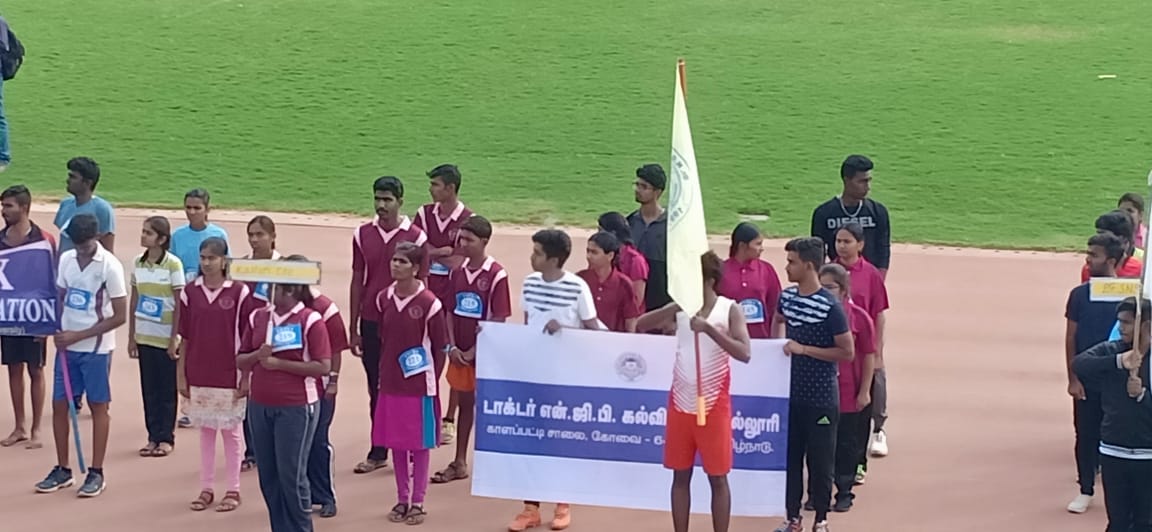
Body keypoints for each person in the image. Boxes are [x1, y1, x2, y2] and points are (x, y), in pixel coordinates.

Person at [635, 251, 752, 532]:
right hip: (680, 403)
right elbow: (642, 324)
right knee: (680, 475)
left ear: (710, 280)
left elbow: (744, 352)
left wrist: (709, 329)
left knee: (718, 478)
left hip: (713, 406)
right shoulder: (682, 309)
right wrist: (675, 307)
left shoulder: (729, 309)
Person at [508, 229, 599, 532]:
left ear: (554, 259)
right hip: (533, 375)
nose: (531, 257)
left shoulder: (577, 288)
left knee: (560, 441)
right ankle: (530, 508)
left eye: (537, 253)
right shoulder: (530, 283)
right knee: (530, 440)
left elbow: (593, 330)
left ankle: (562, 503)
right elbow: (527, 324)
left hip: (564, 379)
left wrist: (565, 330)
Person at [34, 213, 127, 497]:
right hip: (67, 349)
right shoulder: (66, 259)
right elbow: (59, 298)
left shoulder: (110, 266)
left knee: (98, 406)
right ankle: (63, 469)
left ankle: (96, 471)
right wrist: (48, 327)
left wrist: (78, 335)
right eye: (77, 245)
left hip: (95, 349)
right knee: (60, 406)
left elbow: (120, 316)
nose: (82, 250)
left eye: (85, 245)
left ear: (96, 237)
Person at [771, 236, 854, 532]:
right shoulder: (787, 298)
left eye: (791, 262)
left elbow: (847, 351)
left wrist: (804, 349)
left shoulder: (831, 307)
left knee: (820, 463)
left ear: (808, 266)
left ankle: (821, 520)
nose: (787, 267)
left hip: (821, 398)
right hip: (791, 396)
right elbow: (778, 320)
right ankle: (793, 518)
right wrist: (776, 347)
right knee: (791, 460)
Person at [238, 276, 332, 532]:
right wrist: (257, 355)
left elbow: (323, 366)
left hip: (296, 406)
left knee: (291, 475)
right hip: (259, 405)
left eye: (275, 286)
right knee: (269, 476)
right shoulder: (259, 317)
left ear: (290, 290)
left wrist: (279, 364)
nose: (268, 290)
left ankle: (301, 528)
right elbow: (240, 359)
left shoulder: (310, 320)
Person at [349, 176, 428, 474]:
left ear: (400, 201)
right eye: (377, 199)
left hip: (405, 325)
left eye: (387, 200)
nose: (381, 205)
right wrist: (353, 326)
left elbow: (424, 284)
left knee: (407, 386)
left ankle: (409, 447)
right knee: (376, 386)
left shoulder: (416, 238)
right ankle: (379, 447)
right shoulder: (362, 234)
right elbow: (358, 279)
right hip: (371, 320)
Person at [431, 215, 511, 485]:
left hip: (486, 354)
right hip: (460, 353)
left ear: (484, 241)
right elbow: (449, 311)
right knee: (465, 405)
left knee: (490, 407)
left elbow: (498, 318)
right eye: (461, 238)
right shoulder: (458, 271)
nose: (462, 243)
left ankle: (496, 461)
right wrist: (452, 346)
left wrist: (475, 351)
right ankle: (460, 461)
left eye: (469, 239)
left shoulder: (496, 274)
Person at [177, 237, 255, 513]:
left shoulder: (240, 292)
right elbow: (185, 337)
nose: (207, 263)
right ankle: (207, 488)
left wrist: (245, 376)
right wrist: (181, 374)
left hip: (229, 372)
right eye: (203, 258)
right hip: (199, 371)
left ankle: (233, 489)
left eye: (212, 258)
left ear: (224, 261)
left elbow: (247, 337)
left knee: (232, 433)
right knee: (206, 432)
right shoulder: (190, 292)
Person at [374, 242, 448, 527]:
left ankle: (418, 501)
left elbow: (439, 347)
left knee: (419, 445)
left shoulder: (430, 304)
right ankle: (401, 498)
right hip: (390, 382)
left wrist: (430, 379)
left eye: (402, 261)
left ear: (416, 268)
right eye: (394, 260)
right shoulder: (383, 298)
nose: (396, 265)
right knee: (397, 443)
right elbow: (383, 336)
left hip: (419, 386)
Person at [1072, 297, 1152, 532]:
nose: (1120, 328)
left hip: (1147, 456)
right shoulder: (1111, 350)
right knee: (1117, 522)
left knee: (1145, 523)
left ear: (1146, 326)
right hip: (1113, 452)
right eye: (1120, 322)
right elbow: (1080, 364)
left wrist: (1142, 396)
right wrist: (1118, 361)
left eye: (1126, 322)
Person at [1064, 232, 1128, 513]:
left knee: (1120, 435)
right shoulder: (1079, 295)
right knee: (1085, 434)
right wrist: (1073, 378)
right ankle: (1085, 489)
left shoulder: (1130, 294)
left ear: (1111, 260)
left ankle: (1121, 493)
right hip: (1088, 379)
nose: (1088, 259)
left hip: (1119, 378)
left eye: (1094, 255)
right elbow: (1071, 338)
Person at [281, 254, 348, 520]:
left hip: (320, 388)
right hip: (291, 389)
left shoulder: (324, 308)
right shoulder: (280, 308)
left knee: (318, 442)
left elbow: (337, 349)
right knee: (295, 446)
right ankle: (303, 496)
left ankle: (326, 497)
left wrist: (333, 381)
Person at [412, 164, 471, 445]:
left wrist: (430, 253)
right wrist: (440, 252)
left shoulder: (468, 219)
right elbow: (415, 251)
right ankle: (425, 414)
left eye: (435, 184)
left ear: (450, 188)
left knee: (452, 356)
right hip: (425, 295)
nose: (431, 189)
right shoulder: (424, 213)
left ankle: (448, 419)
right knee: (425, 354)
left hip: (452, 298)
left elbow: (458, 261)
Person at [814, 263, 876, 512]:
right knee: (819, 444)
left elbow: (869, 355)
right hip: (819, 392)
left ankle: (844, 492)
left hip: (848, 392)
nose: (825, 292)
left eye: (829, 287)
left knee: (846, 444)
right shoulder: (814, 314)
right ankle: (817, 493)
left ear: (843, 289)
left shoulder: (859, 317)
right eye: (821, 287)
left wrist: (865, 391)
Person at [832, 222, 891, 466]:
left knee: (867, 394)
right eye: (838, 241)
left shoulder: (871, 275)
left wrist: (877, 351)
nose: (842, 246)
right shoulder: (829, 272)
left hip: (863, 348)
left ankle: (876, 432)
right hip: (836, 348)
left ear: (860, 245)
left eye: (847, 242)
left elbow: (878, 314)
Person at [0, 185, 54, 450]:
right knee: (13, 368)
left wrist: (48, 322)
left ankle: (36, 429)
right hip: (9, 316)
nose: (3, 211)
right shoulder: (0, 240)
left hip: (34, 317)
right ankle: (20, 427)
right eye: (2, 205)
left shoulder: (44, 240)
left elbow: (51, 281)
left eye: (8, 206)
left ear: (24, 207)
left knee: (36, 369)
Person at [127, 216, 184, 458]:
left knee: (166, 389)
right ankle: (152, 436)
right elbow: (135, 299)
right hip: (144, 335)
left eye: (148, 233)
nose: (143, 236)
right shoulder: (137, 263)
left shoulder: (173, 265)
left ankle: (166, 438)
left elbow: (179, 305)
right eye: (143, 231)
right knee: (148, 389)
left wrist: (174, 338)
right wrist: (132, 336)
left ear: (161, 239)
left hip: (165, 337)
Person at [240, 214, 281, 471]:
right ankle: (252, 450)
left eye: (260, 235)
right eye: (251, 235)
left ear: (273, 236)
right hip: (247, 336)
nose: (254, 240)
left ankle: (275, 447)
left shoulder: (283, 266)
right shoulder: (241, 268)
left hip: (275, 338)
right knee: (247, 392)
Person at [811, 155, 891, 279]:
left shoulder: (878, 212)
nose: (868, 187)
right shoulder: (824, 213)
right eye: (862, 181)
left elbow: (883, 250)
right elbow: (817, 253)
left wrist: (877, 280)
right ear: (847, 180)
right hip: (836, 280)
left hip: (869, 278)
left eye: (868, 181)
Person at [717, 222, 782, 339]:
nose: (762, 249)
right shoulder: (720, 271)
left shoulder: (766, 269)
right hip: (729, 342)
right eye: (758, 244)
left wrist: (776, 340)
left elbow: (775, 307)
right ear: (742, 246)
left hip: (762, 340)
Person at [627, 164, 671, 312]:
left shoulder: (671, 226)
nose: (637, 189)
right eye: (637, 184)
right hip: (634, 298)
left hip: (661, 299)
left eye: (644, 187)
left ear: (657, 192)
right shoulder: (630, 222)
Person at [577, 232, 641, 332]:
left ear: (610, 255)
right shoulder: (580, 279)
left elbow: (630, 320)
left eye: (594, 252)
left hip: (612, 338)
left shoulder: (624, 284)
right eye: (588, 251)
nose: (588, 256)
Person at [54, 157, 115, 254]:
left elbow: (108, 250)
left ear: (87, 183)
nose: (68, 180)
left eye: (73, 177)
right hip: (65, 262)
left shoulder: (102, 209)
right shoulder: (65, 204)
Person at [172, 188, 230, 284]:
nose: (192, 212)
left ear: (207, 210)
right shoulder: (177, 235)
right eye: (188, 207)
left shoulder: (219, 234)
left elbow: (227, 265)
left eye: (197, 208)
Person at [598, 211, 649, 308]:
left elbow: (636, 300)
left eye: (600, 231)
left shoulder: (636, 261)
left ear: (612, 233)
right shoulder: (602, 255)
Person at [1081, 210, 1144, 282]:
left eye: (1104, 235)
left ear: (1124, 239)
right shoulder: (1090, 269)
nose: (1099, 238)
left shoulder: (1140, 270)